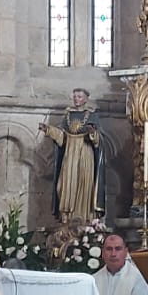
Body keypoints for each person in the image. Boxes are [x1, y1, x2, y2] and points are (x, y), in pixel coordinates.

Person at [39, 89, 105, 223]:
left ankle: (85, 217)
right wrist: (49, 130)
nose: (76, 99)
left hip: (85, 153)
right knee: (64, 184)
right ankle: (67, 217)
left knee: (84, 184)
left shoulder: (92, 116)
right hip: (70, 154)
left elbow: (99, 140)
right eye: (74, 96)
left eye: (79, 97)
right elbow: (62, 138)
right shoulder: (68, 115)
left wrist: (92, 133)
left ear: (86, 99)